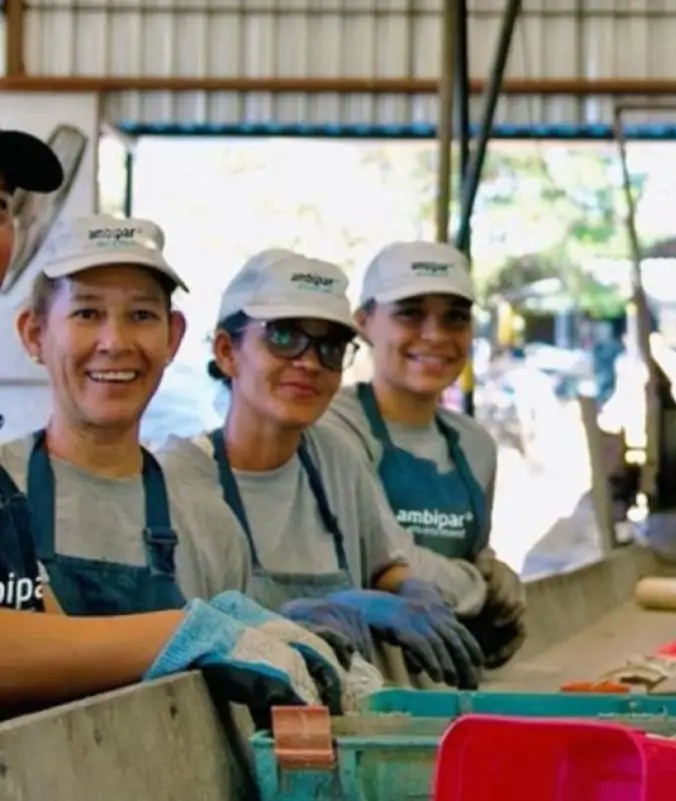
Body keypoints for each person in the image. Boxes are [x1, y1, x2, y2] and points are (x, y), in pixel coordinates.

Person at [0, 136, 346, 717]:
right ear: (36, 334)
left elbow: (36, 627)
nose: (115, 341)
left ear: (173, 337)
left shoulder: (208, 521)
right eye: (86, 312)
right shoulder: (11, 484)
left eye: (141, 314)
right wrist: (181, 633)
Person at [154, 248, 489, 688]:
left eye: (330, 347)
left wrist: (409, 589)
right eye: (283, 337)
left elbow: (382, 564)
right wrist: (286, 621)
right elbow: (176, 637)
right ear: (226, 351)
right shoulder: (178, 481)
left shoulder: (334, 458)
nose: (309, 362)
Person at [321, 241, 526, 667]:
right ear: (364, 323)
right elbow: (384, 560)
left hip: (445, 672)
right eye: (410, 313)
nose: (435, 335)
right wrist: (480, 586)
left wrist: (494, 573)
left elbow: (472, 555)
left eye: (455, 317)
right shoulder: (335, 429)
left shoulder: (474, 445)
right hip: (363, 670)